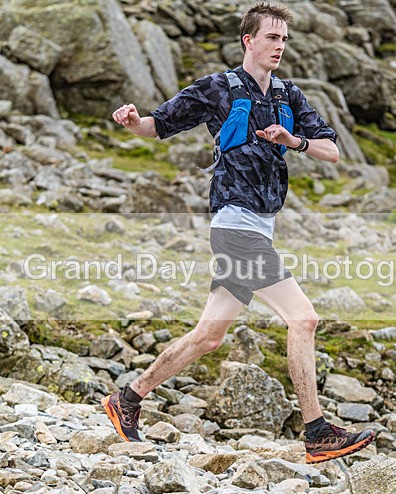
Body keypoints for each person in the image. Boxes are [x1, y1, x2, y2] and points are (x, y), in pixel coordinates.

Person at [103, 2, 374, 464]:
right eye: (272, 38)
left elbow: (330, 150)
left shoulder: (289, 95)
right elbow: (158, 125)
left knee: (209, 336)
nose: (279, 47)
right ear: (248, 40)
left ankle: (127, 398)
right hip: (234, 226)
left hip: (259, 229)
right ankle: (316, 432)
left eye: (284, 39)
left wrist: (294, 141)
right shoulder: (217, 88)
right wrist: (133, 123)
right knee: (303, 319)